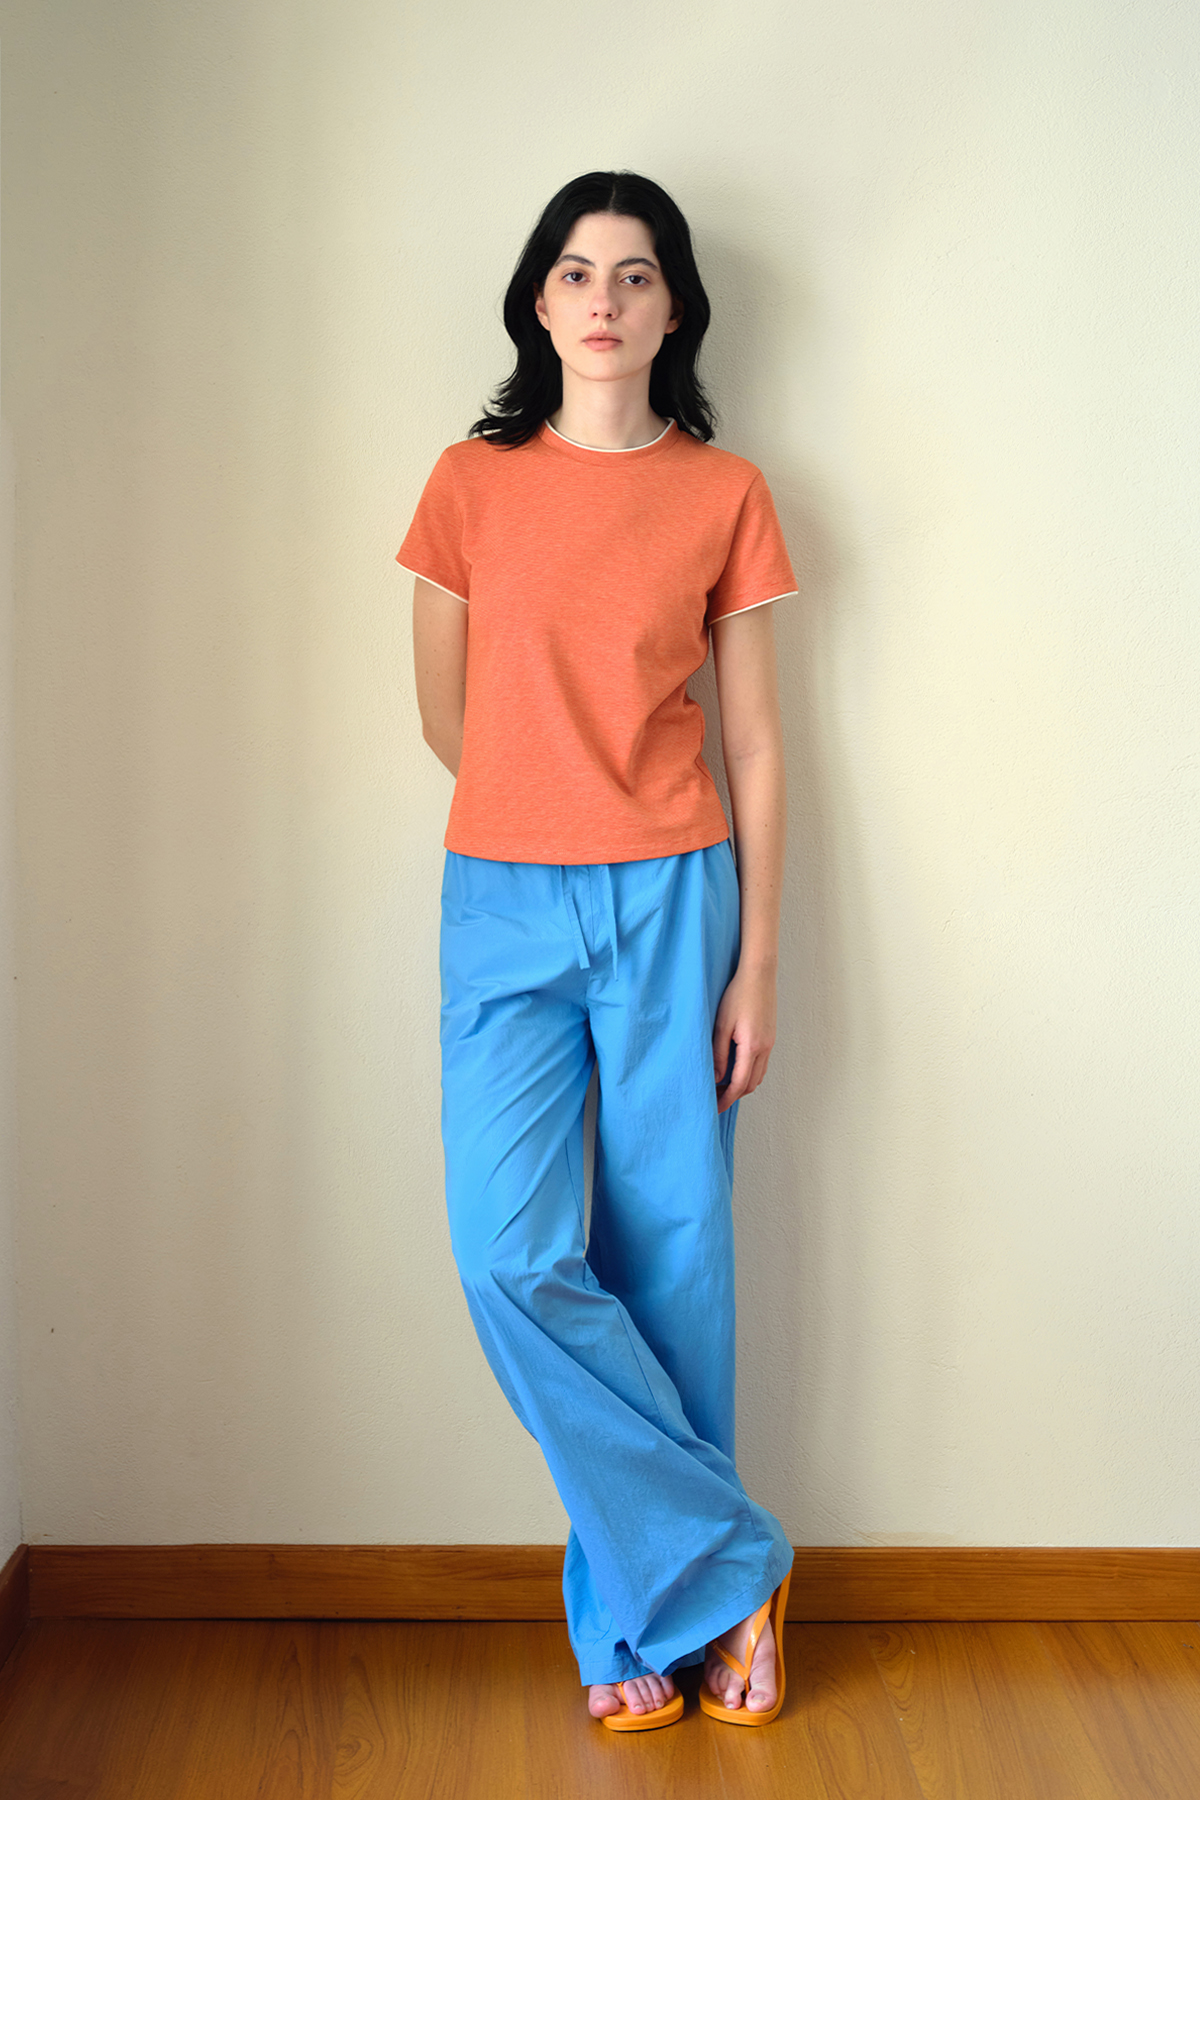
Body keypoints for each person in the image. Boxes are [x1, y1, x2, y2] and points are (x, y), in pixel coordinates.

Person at [395, 171, 797, 1732]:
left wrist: (758, 962)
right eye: (575, 272)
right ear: (538, 301)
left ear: (675, 305)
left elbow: (753, 744)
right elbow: (447, 713)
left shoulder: (726, 492)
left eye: (635, 274)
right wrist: (542, 805)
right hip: (502, 897)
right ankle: (729, 1561)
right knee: (509, 1252)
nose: (605, 300)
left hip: (679, 895)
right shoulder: (468, 483)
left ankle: (638, 1617)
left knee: (673, 1260)